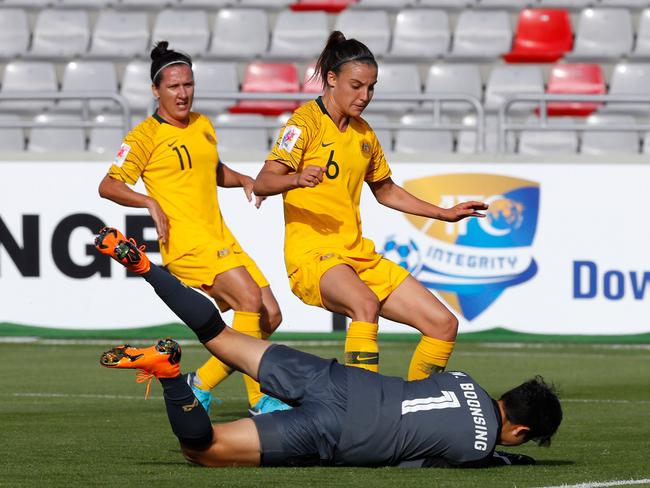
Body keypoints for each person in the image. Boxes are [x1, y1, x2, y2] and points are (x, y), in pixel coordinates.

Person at [95, 226, 562, 468]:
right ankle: (172, 375)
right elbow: (424, 459)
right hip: (337, 429)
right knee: (202, 449)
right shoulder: (479, 448)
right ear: (519, 431)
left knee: (220, 334)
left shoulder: (463, 381)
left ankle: (145, 267)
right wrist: (502, 457)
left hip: (333, 378)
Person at [253, 31, 489, 379]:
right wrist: (295, 178)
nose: (365, 96)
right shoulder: (303, 124)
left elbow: (386, 190)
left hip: (357, 255)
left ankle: (415, 408)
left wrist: (443, 213)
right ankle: (362, 409)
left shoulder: (364, 134)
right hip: (313, 256)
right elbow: (263, 181)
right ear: (331, 80)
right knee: (364, 305)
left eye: (371, 87)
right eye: (356, 85)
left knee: (443, 324)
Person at [97, 41, 288, 416]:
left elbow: (213, 171)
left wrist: (244, 179)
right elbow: (109, 185)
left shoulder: (202, 124)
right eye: (173, 86)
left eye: (188, 85)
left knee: (270, 315)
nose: (183, 93)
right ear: (156, 90)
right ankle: (259, 401)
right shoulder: (143, 138)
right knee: (249, 300)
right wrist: (149, 202)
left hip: (220, 236)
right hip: (187, 242)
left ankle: (199, 384)